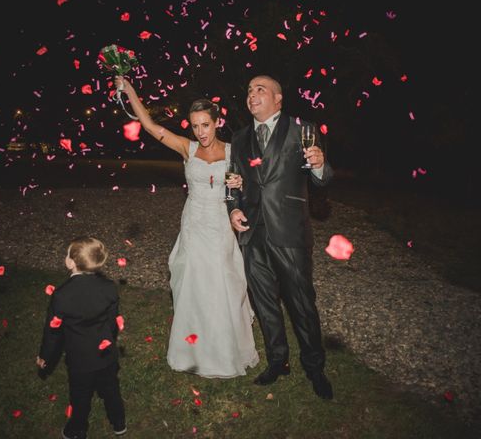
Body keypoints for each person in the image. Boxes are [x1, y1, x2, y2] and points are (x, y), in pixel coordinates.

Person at [114, 76, 259, 378]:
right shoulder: (188, 149)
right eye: (195, 125)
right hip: (193, 222)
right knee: (191, 279)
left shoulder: (235, 152)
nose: (200, 131)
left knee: (222, 281)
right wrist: (130, 91)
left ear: (217, 122)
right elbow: (152, 128)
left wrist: (240, 183)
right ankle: (191, 349)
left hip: (220, 223)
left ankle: (224, 348)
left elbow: (250, 187)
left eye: (205, 124)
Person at [228, 74, 335, 400]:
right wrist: (232, 208)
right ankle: (279, 361)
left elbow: (323, 179)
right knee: (265, 304)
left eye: (260, 89)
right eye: (248, 90)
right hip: (253, 235)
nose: (252, 94)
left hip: (290, 233)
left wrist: (318, 165)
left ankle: (315, 368)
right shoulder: (241, 137)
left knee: (302, 304)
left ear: (278, 98)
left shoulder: (301, 130)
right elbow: (234, 181)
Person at [36, 236, 127, 439]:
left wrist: (45, 356)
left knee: (80, 395)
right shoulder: (109, 288)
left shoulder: (61, 295)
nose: (66, 257)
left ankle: (77, 429)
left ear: (72, 262)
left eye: (68, 254)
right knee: (111, 389)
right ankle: (119, 422)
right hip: (106, 355)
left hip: (80, 359)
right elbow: (112, 322)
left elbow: (53, 332)